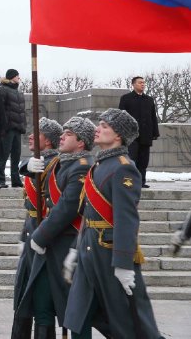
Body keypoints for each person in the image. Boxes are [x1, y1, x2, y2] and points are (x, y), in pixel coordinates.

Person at [63, 109, 161, 339]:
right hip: (90, 251)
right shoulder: (99, 165)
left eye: (105, 126)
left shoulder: (123, 167)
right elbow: (89, 214)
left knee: (127, 324)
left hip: (108, 253)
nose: (98, 129)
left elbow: (126, 219)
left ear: (118, 135)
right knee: (79, 317)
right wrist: (76, 250)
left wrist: (124, 263)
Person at [15, 117, 96, 338]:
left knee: (75, 312)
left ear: (81, 142)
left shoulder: (82, 166)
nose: (62, 135)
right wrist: (25, 165)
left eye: (68, 133)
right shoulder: (63, 162)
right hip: (50, 243)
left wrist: (38, 238)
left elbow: (65, 209)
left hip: (67, 241)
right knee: (42, 305)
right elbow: (39, 178)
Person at [11, 117, 62, 338]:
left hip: (44, 236)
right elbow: (31, 207)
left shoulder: (56, 164)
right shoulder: (35, 162)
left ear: (49, 141)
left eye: (37, 133)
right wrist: (24, 236)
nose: (31, 135)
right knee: (22, 294)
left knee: (41, 300)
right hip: (32, 230)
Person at [118, 76, 159, 188]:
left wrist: (155, 133)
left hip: (145, 135)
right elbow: (121, 117)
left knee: (143, 160)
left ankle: (141, 182)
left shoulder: (149, 100)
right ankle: (130, 181)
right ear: (133, 84)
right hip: (131, 136)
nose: (143, 84)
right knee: (131, 159)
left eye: (144, 83)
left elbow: (153, 117)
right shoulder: (126, 98)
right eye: (140, 82)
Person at [0, 68, 27, 188]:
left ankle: (16, 180)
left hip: (17, 129)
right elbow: (0, 109)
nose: (19, 78)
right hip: (8, 128)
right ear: (11, 77)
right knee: (4, 154)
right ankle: (0, 179)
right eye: (17, 76)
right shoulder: (3, 90)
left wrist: (23, 125)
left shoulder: (19, 92)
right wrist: (3, 126)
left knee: (16, 155)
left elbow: (21, 112)